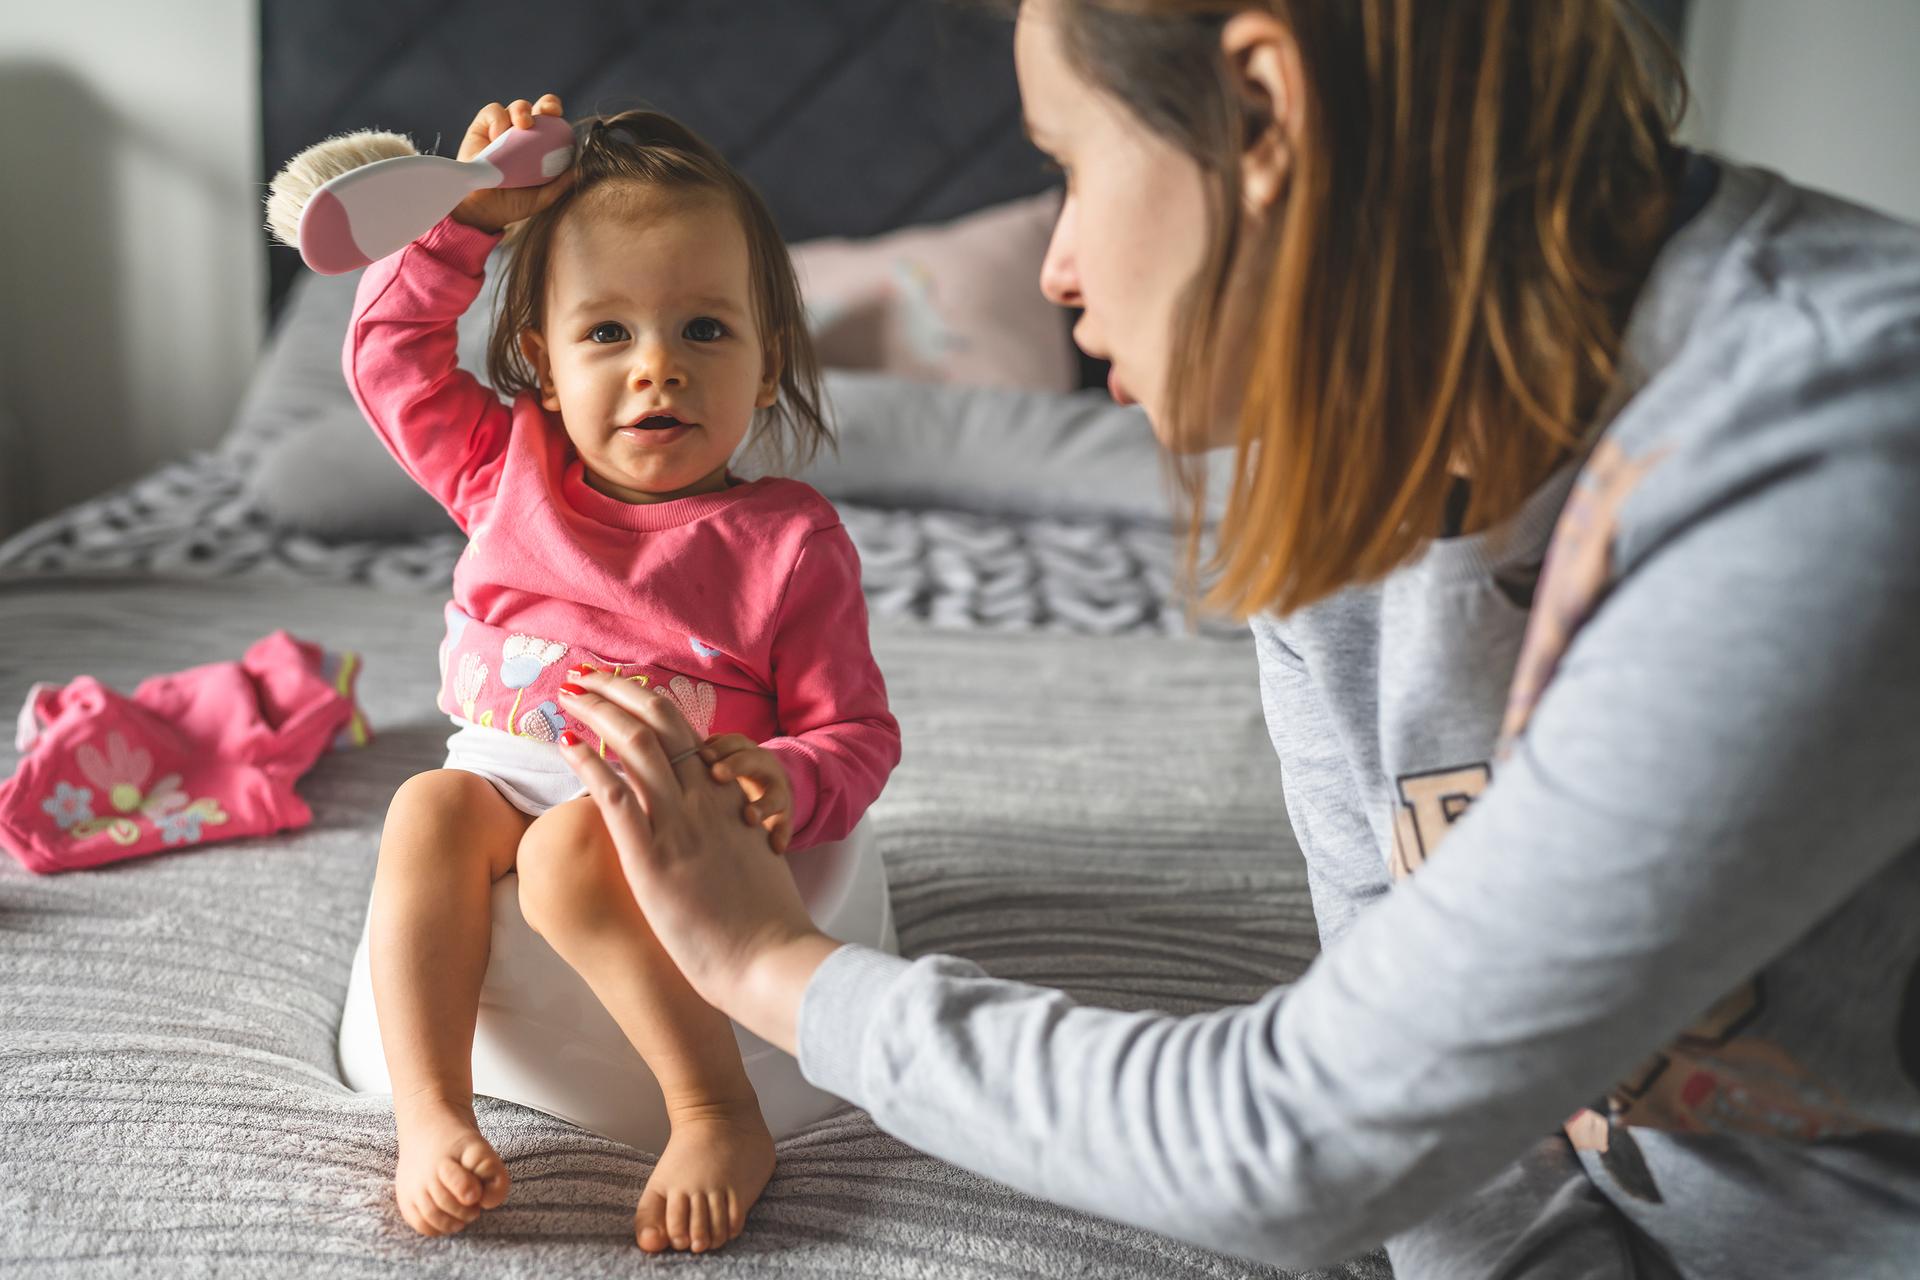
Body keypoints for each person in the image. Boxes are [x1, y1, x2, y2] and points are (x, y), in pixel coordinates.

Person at [548, 1, 1920, 1276]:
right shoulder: (1336, 466)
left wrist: (769, 966)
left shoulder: (1837, 463)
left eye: (1072, 166)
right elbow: (1437, 1141)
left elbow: (1302, 1137)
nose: (1057, 269)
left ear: (1262, 111)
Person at [345, 97, 901, 1252]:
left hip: (670, 807)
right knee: (424, 807)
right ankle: (431, 1112)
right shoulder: (509, 470)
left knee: (567, 849)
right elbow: (389, 360)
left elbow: (853, 732)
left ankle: (715, 1110)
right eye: (609, 335)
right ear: (540, 364)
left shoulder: (787, 544)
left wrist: (785, 776)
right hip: (500, 774)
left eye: (704, 330)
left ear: (766, 365)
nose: (659, 369)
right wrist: (465, 221)